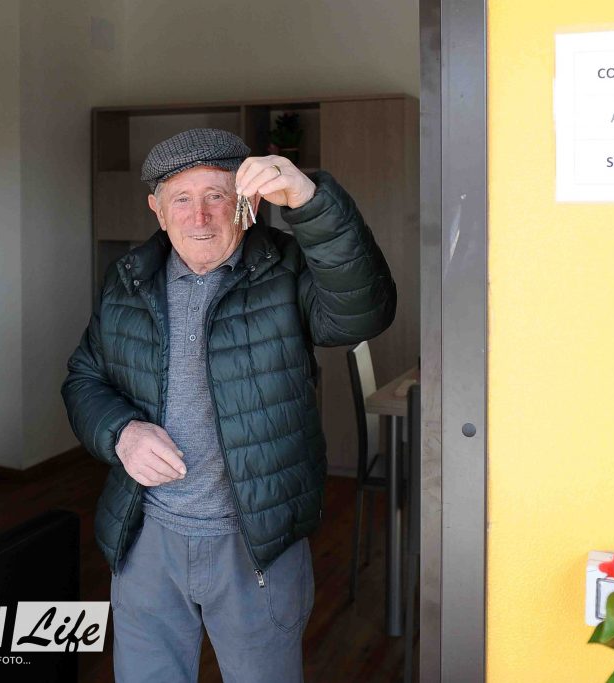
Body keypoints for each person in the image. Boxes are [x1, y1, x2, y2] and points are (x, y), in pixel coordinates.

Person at [60, 127, 397, 682]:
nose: (199, 217)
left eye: (216, 195)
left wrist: (311, 202)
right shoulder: (127, 281)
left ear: (248, 204)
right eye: (181, 199)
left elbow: (365, 313)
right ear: (157, 210)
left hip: (256, 542)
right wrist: (122, 433)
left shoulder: (286, 269)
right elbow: (84, 378)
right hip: (146, 539)